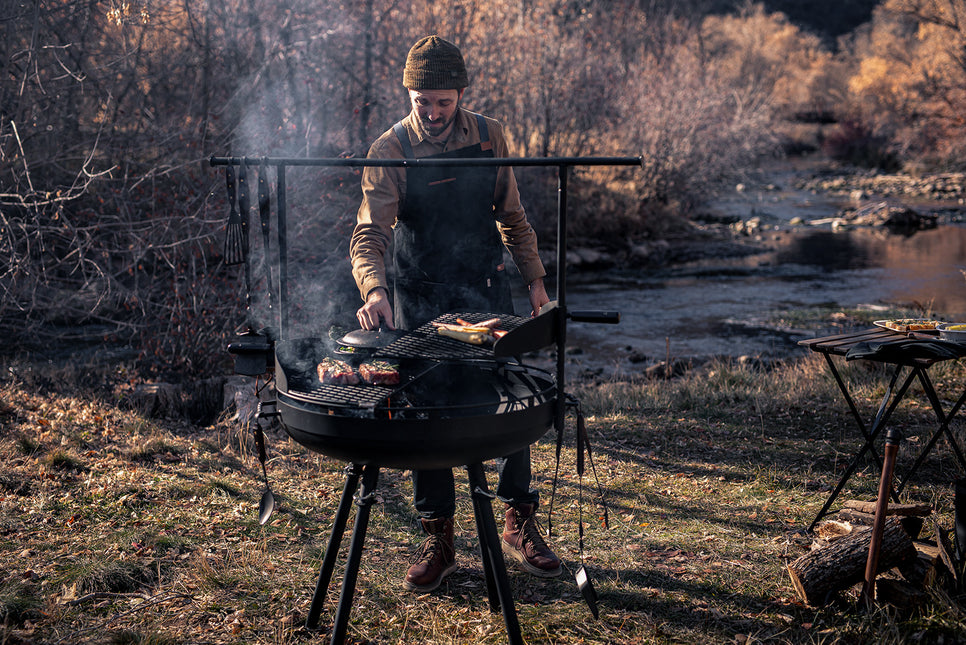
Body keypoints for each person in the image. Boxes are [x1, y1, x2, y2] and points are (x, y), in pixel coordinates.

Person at [349, 35, 561, 592]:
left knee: (513, 395)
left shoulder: (491, 136)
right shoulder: (390, 148)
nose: (434, 112)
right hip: (419, 294)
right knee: (428, 412)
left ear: (461, 94)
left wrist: (536, 283)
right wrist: (374, 290)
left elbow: (512, 217)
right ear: (409, 95)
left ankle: (520, 519)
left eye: (443, 101)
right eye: (423, 101)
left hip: (486, 289)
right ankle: (437, 537)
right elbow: (370, 231)